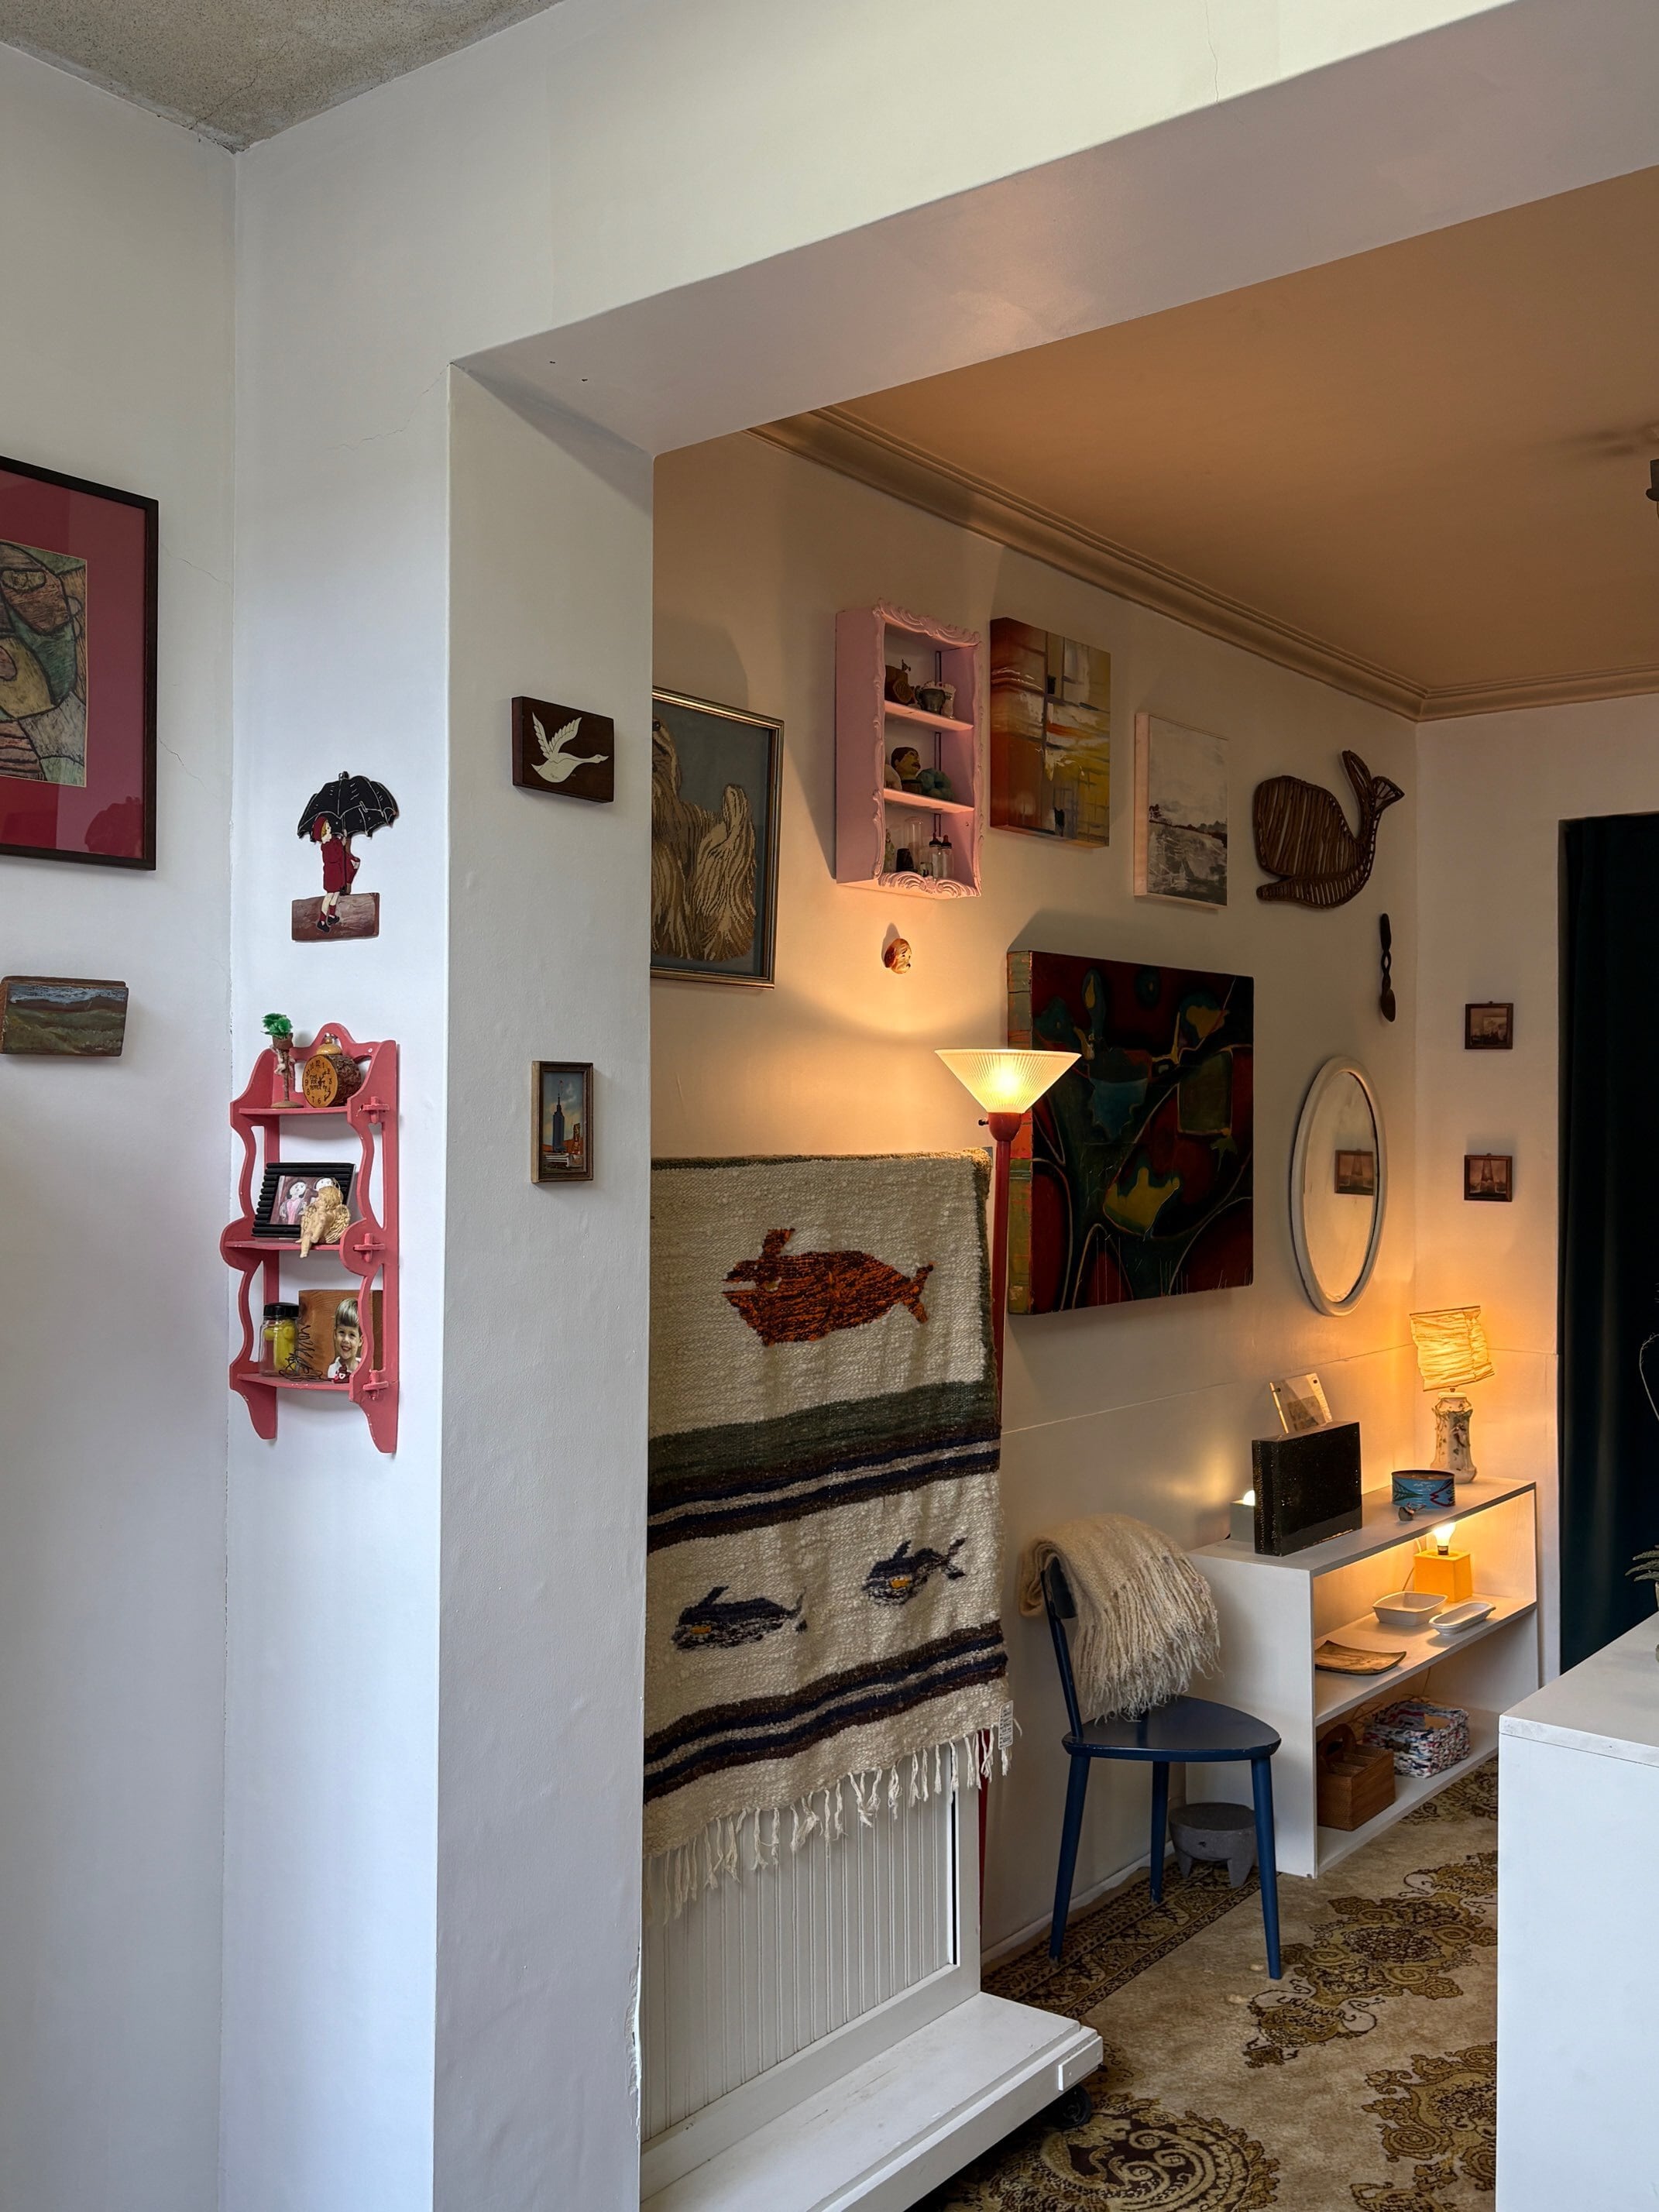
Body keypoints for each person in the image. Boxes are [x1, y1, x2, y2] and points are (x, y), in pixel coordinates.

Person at [311, 814, 359, 931]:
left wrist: (343, 839)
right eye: (327, 828)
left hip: (337, 873)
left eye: (329, 827)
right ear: (322, 832)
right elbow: (334, 857)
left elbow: (339, 848)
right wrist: (340, 845)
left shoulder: (333, 841)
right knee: (329, 895)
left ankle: (332, 916)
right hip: (331, 875)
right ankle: (322, 921)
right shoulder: (326, 846)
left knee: (336, 893)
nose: (330, 829)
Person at [327, 1297, 365, 1381]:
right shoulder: (332, 1371)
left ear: (360, 1341)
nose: (346, 1340)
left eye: (352, 1335)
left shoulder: (365, 1370)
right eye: (342, 1332)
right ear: (335, 1334)